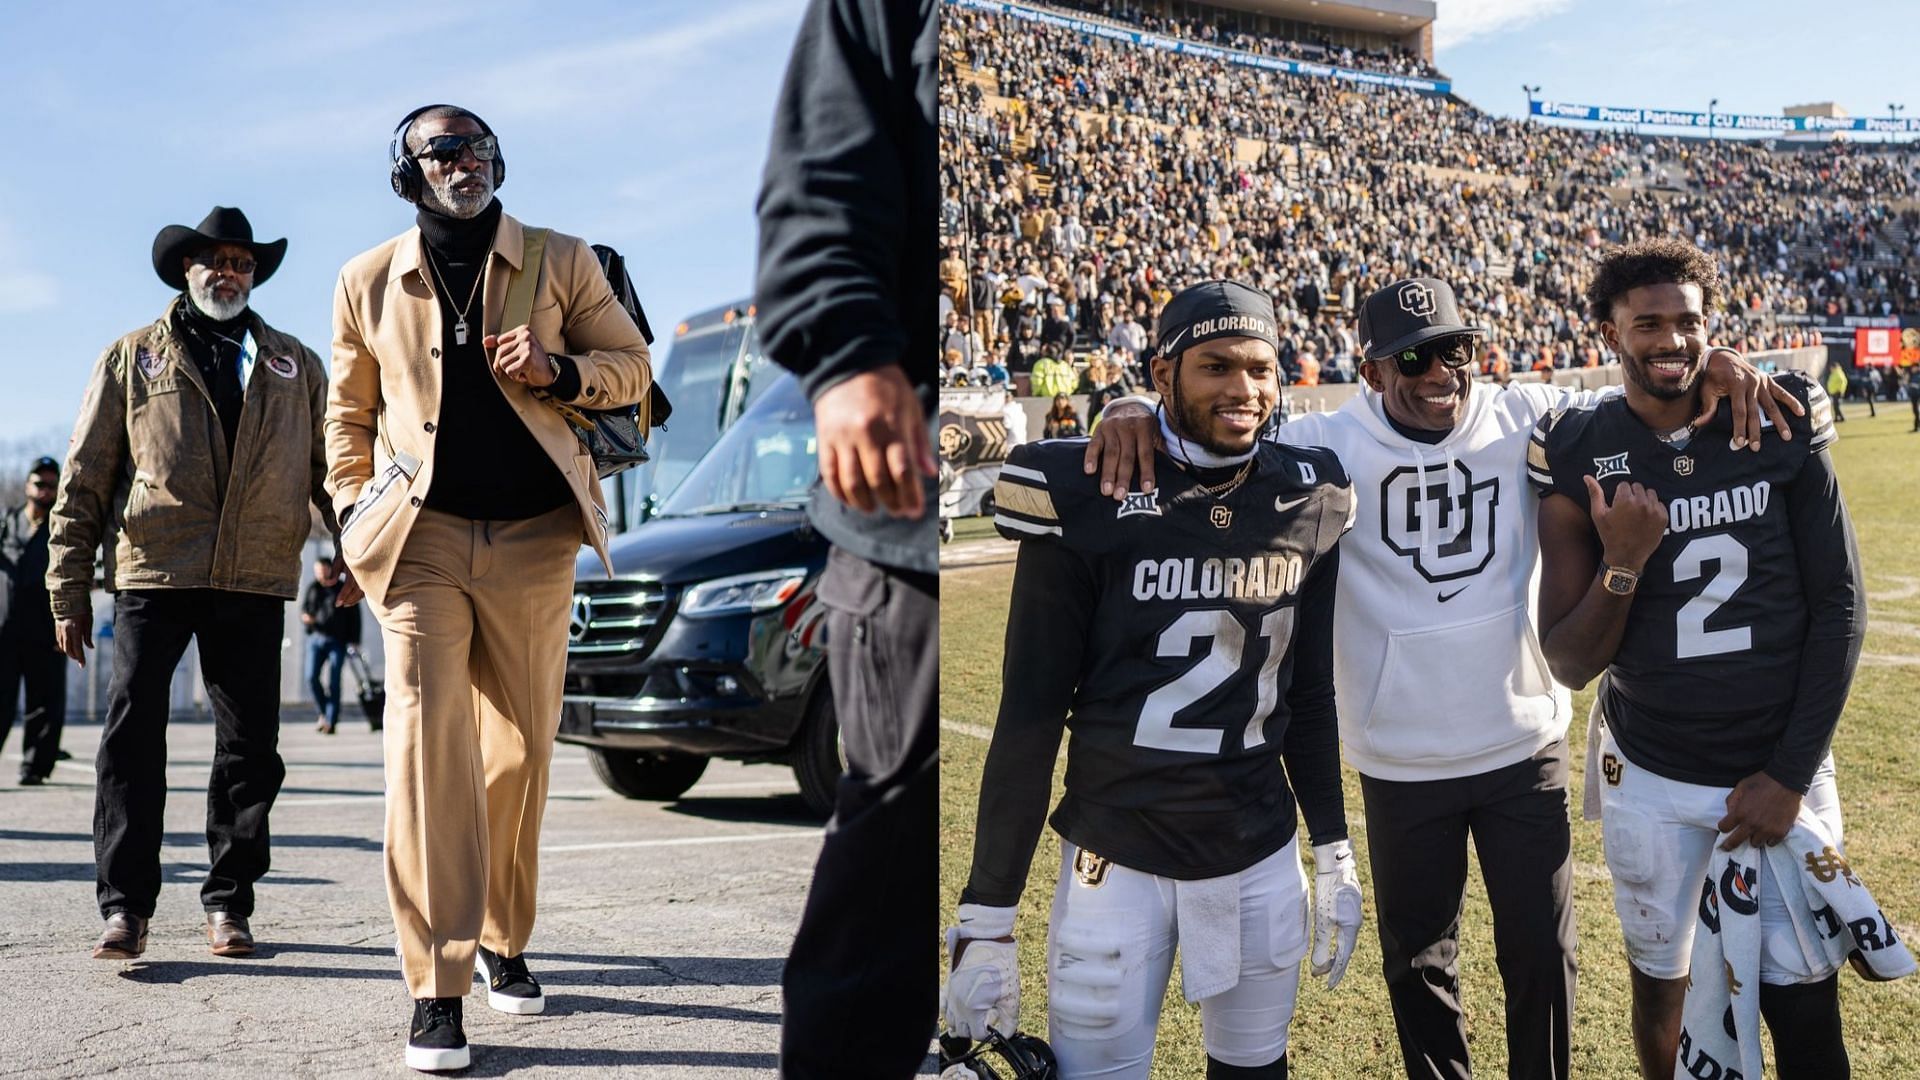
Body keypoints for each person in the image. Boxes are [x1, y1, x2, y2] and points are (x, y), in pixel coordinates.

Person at [1085, 276, 1797, 1080]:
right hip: (1400, 758)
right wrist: (1128, 408)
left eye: (1454, 351)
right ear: (1373, 370)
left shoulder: (1528, 415)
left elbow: (1644, 387)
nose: (1438, 373)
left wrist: (1722, 364)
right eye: (1412, 358)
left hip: (1522, 744)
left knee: (1541, 954)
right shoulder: (1326, 444)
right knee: (1419, 964)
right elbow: (1219, 423)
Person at [947, 281, 1362, 1079]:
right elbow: (1030, 713)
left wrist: (1334, 845)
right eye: (1216, 367)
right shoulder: (1084, 486)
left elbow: (1308, 695)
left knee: (1255, 1068)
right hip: (1117, 853)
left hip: (1257, 847)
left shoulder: (1312, 489)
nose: (1243, 389)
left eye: (1261, 369)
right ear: (1163, 372)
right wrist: (988, 914)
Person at [327, 104, 652, 1072]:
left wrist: (560, 371)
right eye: (443, 150)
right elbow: (347, 415)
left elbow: (633, 369)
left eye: (478, 148)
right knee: (428, 756)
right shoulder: (365, 279)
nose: (466, 163)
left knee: (518, 756)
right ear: (408, 172)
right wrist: (352, 513)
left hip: (538, 542)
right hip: (418, 542)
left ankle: (507, 936)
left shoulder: (562, 258)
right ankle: (436, 985)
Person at [1533, 238, 1865, 1079]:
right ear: (1609, 332)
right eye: (1648, 323)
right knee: (1664, 986)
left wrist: (1789, 776)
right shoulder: (1574, 445)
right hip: (1652, 768)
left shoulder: (1778, 415)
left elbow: (1841, 607)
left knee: (1805, 992)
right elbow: (1570, 662)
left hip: (1780, 760)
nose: (1671, 341)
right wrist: (1625, 563)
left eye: (1689, 323)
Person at [46, 206, 339, 961]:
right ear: (187, 269)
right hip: (154, 568)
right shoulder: (133, 357)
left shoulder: (293, 362)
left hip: (254, 574)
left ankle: (229, 903)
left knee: (250, 749)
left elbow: (332, 473)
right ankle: (125, 909)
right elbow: (85, 478)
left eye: (241, 262)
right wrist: (67, 589)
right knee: (132, 738)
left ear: (253, 275)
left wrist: (361, 557)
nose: (228, 273)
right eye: (214, 260)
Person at [754, 1, 939, 1076]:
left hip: (1039, 528)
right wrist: (850, 354)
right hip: (910, 515)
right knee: (889, 881)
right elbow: (814, 189)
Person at [1, 457, 67, 785]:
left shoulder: (62, 526)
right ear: (28, 485)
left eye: (50, 485)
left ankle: (35, 767)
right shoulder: (7, 522)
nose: (44, 491)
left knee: (44, 702)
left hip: (46, 630)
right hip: (6, 630)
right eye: (39, 483)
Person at [300, 556, 362, 734]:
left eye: (323, 569)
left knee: (334, 682)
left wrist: (354, 639)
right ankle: (322, 712)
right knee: (311, 677)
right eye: (317, 570)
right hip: (316, 638)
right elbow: (305, 609)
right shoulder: (313, 588)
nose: (320, 573)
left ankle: (331, 720)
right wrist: (306, 618)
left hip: (337, 640)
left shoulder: (342, 587)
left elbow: (354, 614)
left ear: (330, 569)